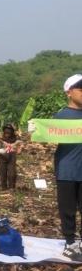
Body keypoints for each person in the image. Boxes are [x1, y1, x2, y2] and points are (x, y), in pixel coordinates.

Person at [54, 74, 82, 261]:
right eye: (80, 89)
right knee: (68, 208)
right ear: (69, 93)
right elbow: (50, 139)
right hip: (67, 170)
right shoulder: (60, 116)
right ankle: (70, 242)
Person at [0, 124, 22, 191]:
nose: (7, 133)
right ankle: (4, 187)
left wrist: (15, 146)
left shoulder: (16, 139)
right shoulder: (0, 138)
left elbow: (20, 147)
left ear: (12, 132)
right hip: (2, 156)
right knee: (2, 172)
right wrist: (0, 146)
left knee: (12, 172)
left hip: (12, 156)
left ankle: (11, 187)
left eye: (9, 132)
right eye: (6, 132)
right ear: (4, 131)